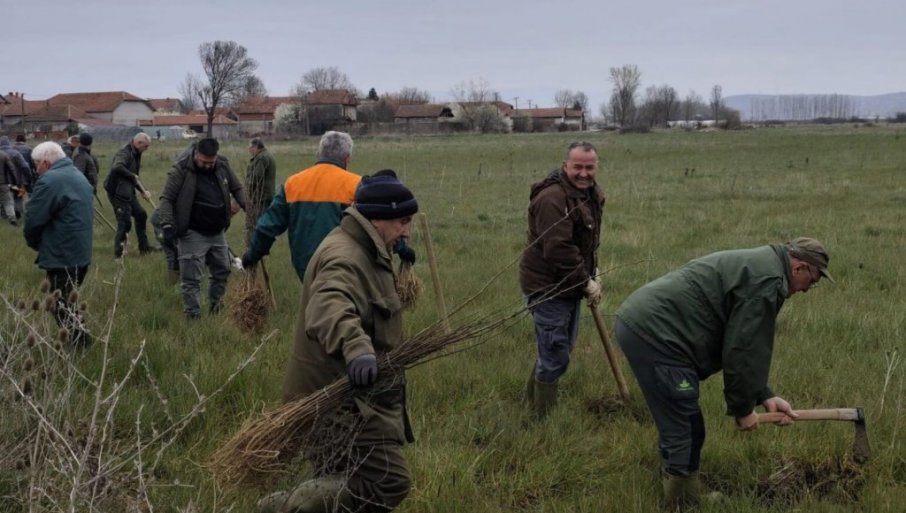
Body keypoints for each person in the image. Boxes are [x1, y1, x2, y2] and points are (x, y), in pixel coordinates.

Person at [614, 237, 832, 510]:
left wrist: (764, 396)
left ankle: (675, 482)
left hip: (649, 324)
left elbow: (745, 343)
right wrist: (743, 410)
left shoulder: (765, 266)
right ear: (799, 267)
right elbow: (741, 349)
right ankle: (683, 502)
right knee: (686, 426)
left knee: (678, 419)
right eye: (812, 282)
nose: (807, 290)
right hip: (658, 335)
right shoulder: (766, 283)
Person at [259, 170, 418, 513]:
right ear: (378, 217)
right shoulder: (345, 256)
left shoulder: (367, 246)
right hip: (339, 403)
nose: (407, 230)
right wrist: (358, 349)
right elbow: (330, 304)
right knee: (390, 480)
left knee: (339, 476)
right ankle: (286, 507)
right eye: (403, 221)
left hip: (352, 398)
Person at [518, 141, 605, 417]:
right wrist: (585, 281)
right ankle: (540, 419)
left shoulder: (590, 194)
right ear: (565, 165)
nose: (583, 173)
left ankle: (530, 405)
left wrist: (593, 272)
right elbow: (558, 249)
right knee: (556, 354)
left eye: (589, 167)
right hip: (547, 287)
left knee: (556, 350)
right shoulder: (552, 199)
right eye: (577, 166)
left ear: (596, 167)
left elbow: (586, 242)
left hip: (568, 285)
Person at [241, 131, 360, 281]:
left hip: (306, 269)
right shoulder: (357, 185)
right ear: (347, 158)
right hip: (344, 267)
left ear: (318, 154)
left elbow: (267, 227)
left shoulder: (293, 184)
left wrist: (252, 255)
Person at [157, 138, 246, 320]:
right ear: (196, 154)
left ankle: (216, 307)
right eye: (204, 162)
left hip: (218, 231)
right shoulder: (180, 170)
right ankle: (193, 316)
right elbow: (166, 199)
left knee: (223, 270)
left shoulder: (222, 164)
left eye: (210, 162)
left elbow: (237, 188)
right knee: (191, 278)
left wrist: (249, 208)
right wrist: (166, 225)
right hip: (192, 232)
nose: (207, 166)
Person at [23, 142, 94, 347]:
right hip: (80, 251)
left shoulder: (49, 181)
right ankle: (80, 339)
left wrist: (34, 243)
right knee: (67, 300)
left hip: (63, 252)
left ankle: (81, 343)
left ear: (45, 162)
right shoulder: (77, 174)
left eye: (36, 164)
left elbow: (34, 219)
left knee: (57, 303)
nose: (36, 169)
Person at [103, 132, 155, 257]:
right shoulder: (125, 153)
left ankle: (144, 248)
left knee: (141, 214)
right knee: (124, 222)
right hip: (117, 192)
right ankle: (119, 255)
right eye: (146, 146)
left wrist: (143, 191)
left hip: (127, 191)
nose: (146, 149)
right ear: (138, 143)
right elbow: (117, 167)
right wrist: (131, 175)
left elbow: (134, 177)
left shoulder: (137, 153)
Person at [244, 137, 277, 242]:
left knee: (256, 223)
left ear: (255, 147)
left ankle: (256, 245)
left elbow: (256, 177)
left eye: (250, 147)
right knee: (262, 222)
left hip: (260, 197)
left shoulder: (261, 158)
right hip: (266, 195)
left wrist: (246, 187)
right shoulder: (266, 155)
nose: (249, 150)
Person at [0, 135, 31, 219]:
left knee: (4, 201)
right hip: (16, 180)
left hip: (3, 182)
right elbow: (25, 166)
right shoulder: (15, 153)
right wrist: (29, 176)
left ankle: (5, 218)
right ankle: (18, 216)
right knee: (18, 198)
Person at [0, 148, 20, 225]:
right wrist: (15, 182)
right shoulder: (3, 155)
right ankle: (12, 218)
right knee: (8, 201)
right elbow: (12, 169)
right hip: (3, 183)